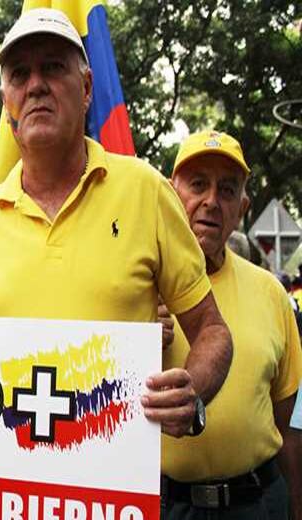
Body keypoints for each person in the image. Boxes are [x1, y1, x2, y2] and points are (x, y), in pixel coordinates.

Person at [0, 7, 232, 480]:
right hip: (4, 496)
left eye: (53, 67)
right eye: (19, 74)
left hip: (112, 495)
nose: (35, 84)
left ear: (88, 86)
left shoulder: (146, 191)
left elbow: (213, 331)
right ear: (6, 101)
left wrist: (190, 391)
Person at [159, 130, 302, 519]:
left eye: (227, 190)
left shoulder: (272, 293)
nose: (210, 201)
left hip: (257, 503)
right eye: (198, 184)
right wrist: (137, 338)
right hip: (167, 505)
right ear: (171, 195)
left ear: (242, 208)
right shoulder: (137, 287)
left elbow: (287, 423)